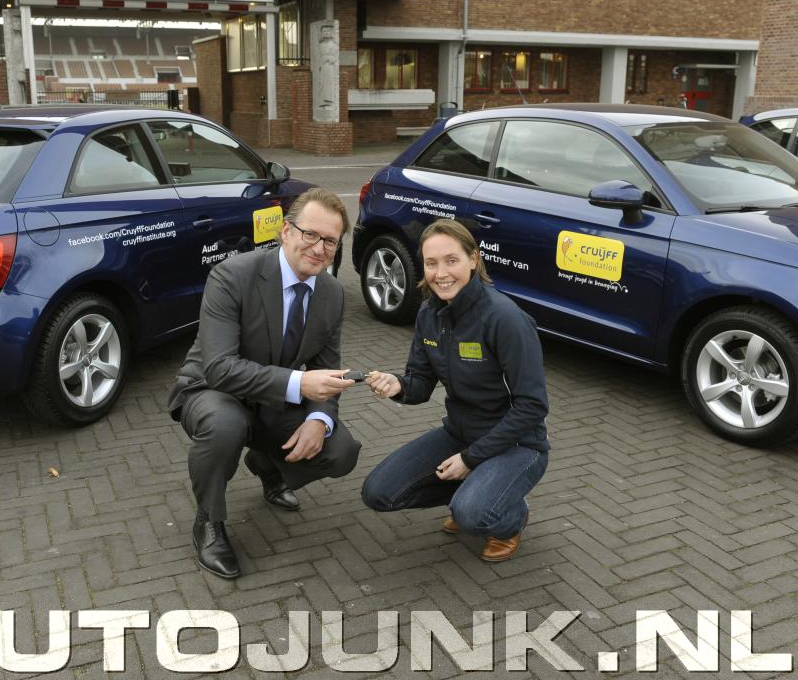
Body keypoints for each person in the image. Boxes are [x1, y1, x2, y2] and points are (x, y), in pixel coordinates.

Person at [168, 187, 362, 578]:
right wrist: (300, 384)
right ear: (286, 231)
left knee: (340, 450)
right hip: (211, 389)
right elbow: (219, 367)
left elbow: (328, 370)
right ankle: (209, 521)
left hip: (271, 397)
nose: (319, 248)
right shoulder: (232, 275)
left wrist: (318, 419)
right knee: (226, 425)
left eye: (330, 240)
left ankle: (265, 462)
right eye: (310, 234)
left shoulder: (332, 295)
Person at [361, 219, 550, 562]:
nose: (441, 273)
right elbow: (420, 383)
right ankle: (478, 493)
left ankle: (509, 517)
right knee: (379, 492)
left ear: (473, 259)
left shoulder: (505, 318)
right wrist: (398, 385)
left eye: (452, 260)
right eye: (431, 263)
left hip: (519, 444)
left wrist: (469, 459)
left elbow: (533, 406)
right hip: (460, 434)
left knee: (472, 515)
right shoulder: (428, 313)